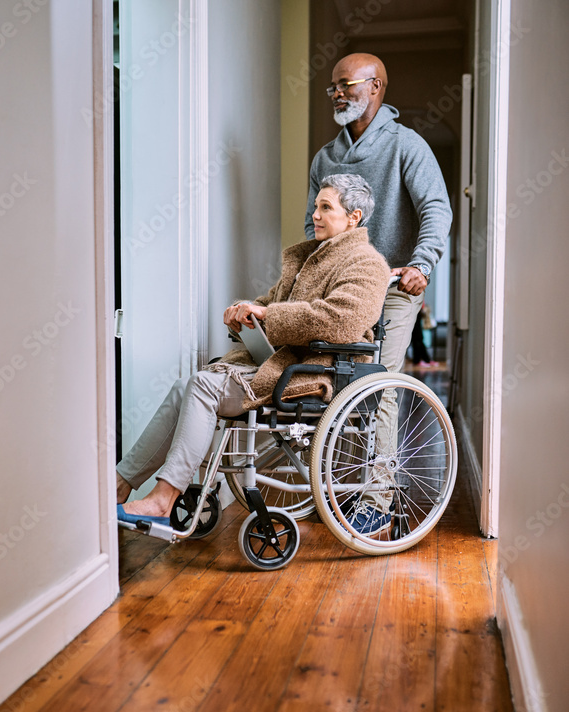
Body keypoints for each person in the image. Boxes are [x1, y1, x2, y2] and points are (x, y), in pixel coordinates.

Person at [116, 173, 390, 525]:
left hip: (319, 372)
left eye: (326, 207)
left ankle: (163, 500)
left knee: (201, 386)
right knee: (186, 385)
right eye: (316, 206)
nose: (315, 214)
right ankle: (121, 485)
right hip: (285, 363)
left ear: (354, 217)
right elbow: (271, 303)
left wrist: (268, 315)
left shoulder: (367, 264)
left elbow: (339, 321)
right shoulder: (316, 257)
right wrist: (246, 312)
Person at [305, 52, 452, 533]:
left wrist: (422, 264)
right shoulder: (325, 158)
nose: (339, 93)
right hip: (342, 286)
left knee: (379, 382)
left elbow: (436, 208)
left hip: (393, 285)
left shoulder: (407, 146)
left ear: (377, 87)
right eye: (334, 87)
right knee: (334, 380)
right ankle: (336, 487)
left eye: (348, 84)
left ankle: (380, 498)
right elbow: (315, 227)